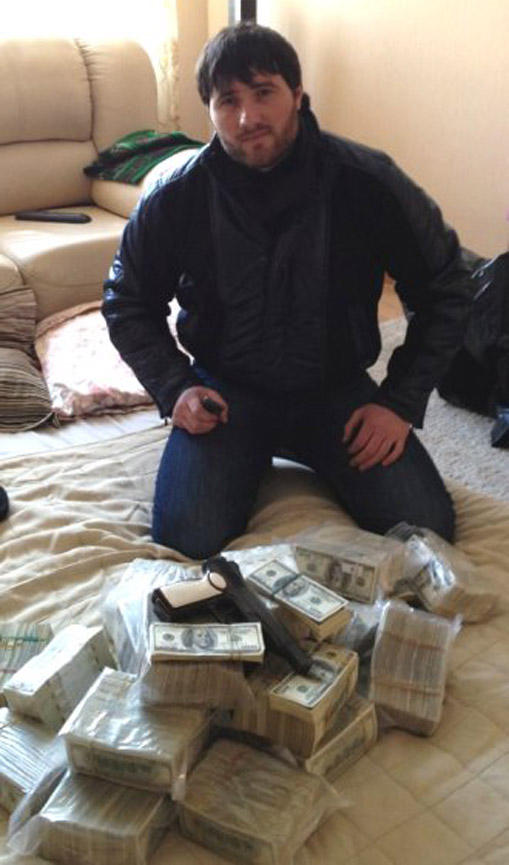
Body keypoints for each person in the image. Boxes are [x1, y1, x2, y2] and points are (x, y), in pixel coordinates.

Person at [103, 22, 474, 559]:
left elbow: (446, 286)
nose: (247, 117)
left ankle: (292, 453)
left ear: (298, 94)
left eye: (263, 93)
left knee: (425, 526)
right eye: (228, 101)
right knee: (188, 538)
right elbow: (127, 299)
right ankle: (245, 455)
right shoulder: (177, 195)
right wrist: (175, 387)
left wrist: (398, 402)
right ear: (208, 110)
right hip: (226, 395)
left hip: (335, 391)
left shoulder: (366, 181)